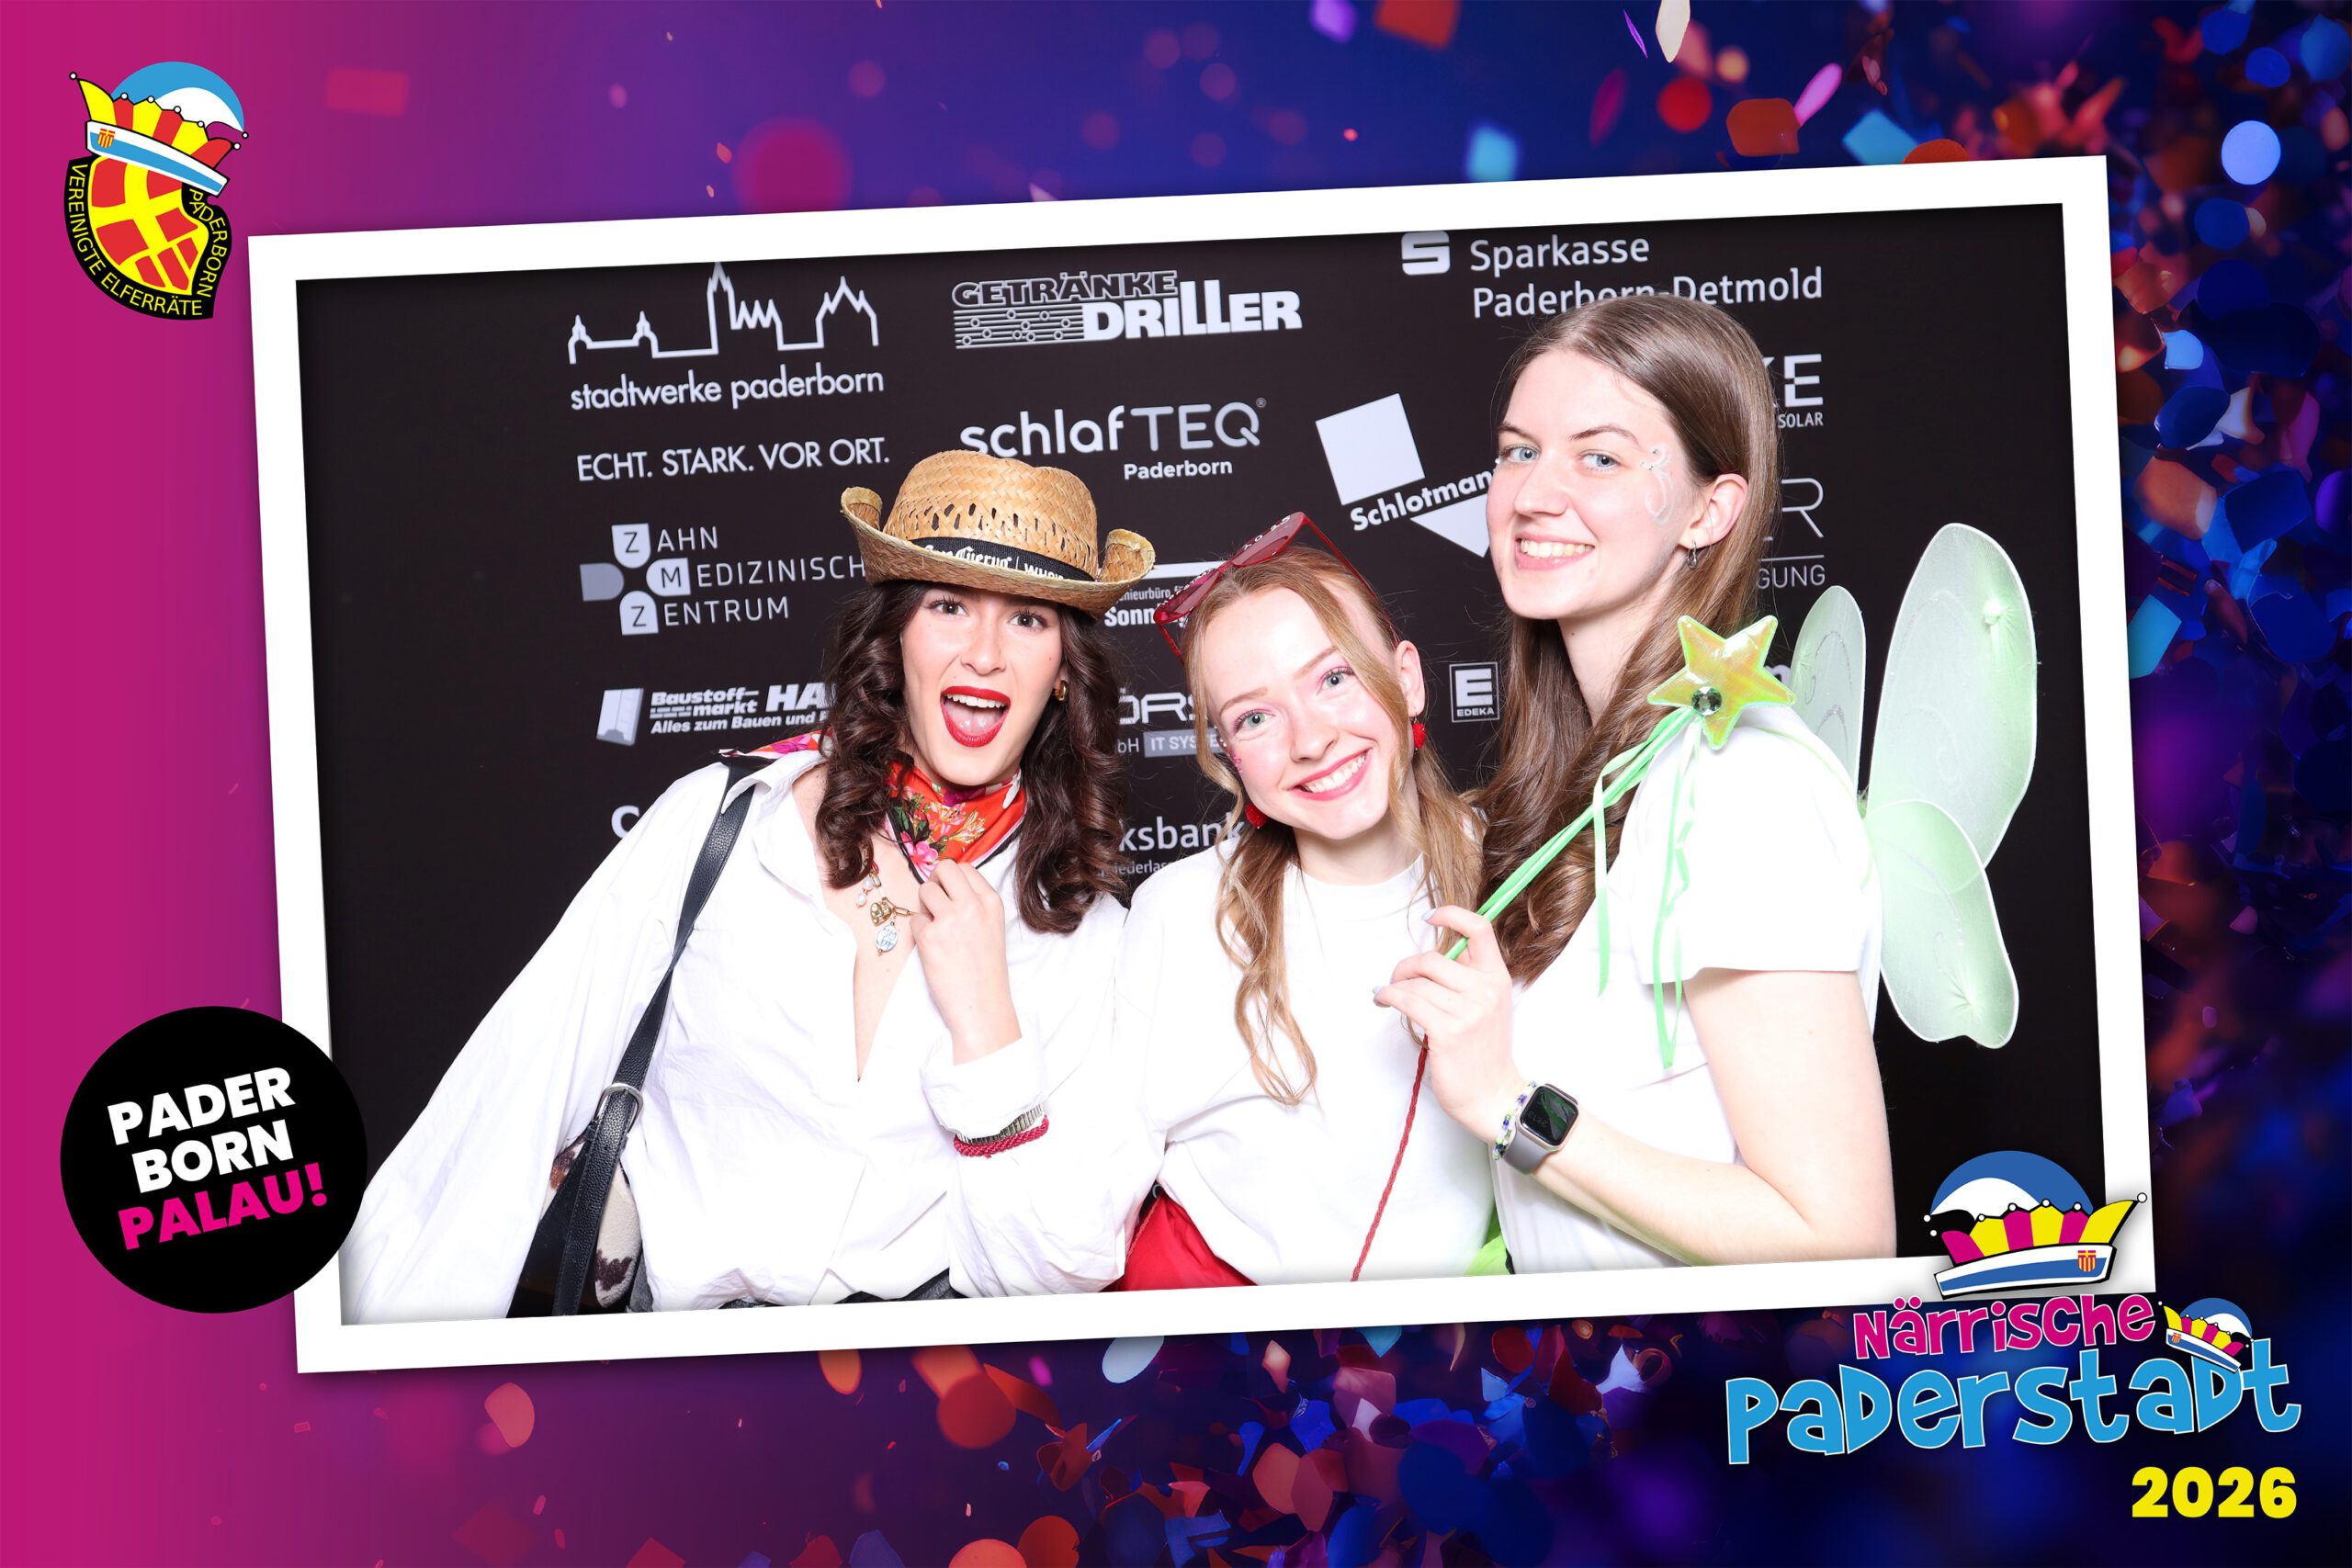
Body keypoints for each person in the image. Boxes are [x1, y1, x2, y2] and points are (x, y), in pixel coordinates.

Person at [341, 451, 1149, 1319]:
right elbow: (511, 1097)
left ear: (1063, 670)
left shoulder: (1087, 931)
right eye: (948, 606)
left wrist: (988, 1032)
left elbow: (1059, 1274)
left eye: (1027, 619)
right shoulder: (720, 822)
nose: (984, 654)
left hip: (909, 1378)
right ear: (896, 636)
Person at [1379, 294, 1895, 1272]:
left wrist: (1506, 1104)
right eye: (1518, 451)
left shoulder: (1742, 786)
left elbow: (1834, 1233)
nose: (1533, 494)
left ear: (1709, 509)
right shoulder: (1594, 781)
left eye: (1601, 458)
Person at [948, 519, 1492, 1294]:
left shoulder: (1525, 873)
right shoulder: (1183, 914)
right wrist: (987, 1052)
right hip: (1219, 1349)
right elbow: (1071, 1239)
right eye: (1254, 717)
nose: (1311, 740)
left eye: (1334, 678)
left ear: (1406, 677)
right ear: (1229, 754)